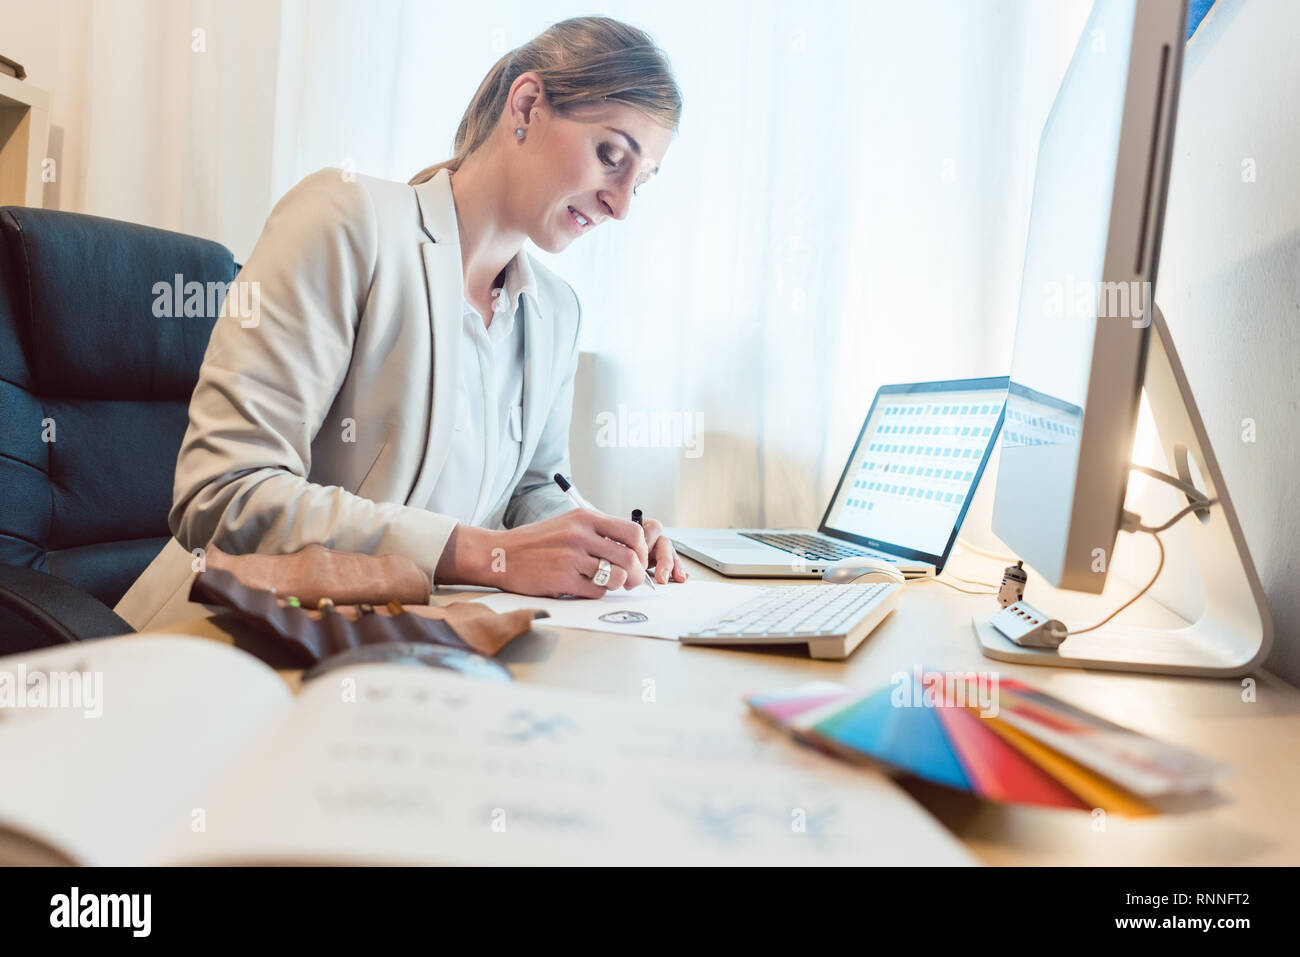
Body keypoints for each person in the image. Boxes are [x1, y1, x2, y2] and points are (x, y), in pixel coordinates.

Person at [115, 16, 686, 630]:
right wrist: (484, 554)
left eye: (641, 182)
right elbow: (224, 494)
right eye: (611, 156)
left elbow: (532, 491)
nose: (621, 205)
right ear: (527, 104)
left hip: (408, 643)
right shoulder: (345, 221)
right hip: (240, 639)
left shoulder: (557, 310)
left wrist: (603, 541)